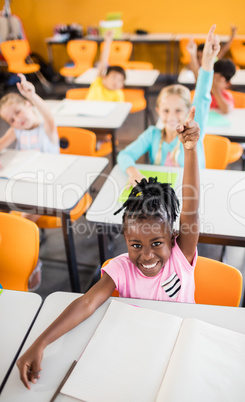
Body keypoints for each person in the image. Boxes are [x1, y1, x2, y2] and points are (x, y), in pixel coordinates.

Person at [16, 104, 200, 390]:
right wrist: (40, 342)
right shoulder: (121, 269)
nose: (146, 255)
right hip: (136, 353)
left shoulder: (181, 255)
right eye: (135, 244)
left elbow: (191, 209)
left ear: (173, 236)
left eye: (157, 243)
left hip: (182, 349)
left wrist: (190, 151)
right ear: (125, 239)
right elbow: (87, 303)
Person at [117, 25, 220, 188]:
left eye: (178, 110)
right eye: (166, 111)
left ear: (188, 111)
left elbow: (202, 96)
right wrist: (133, 172)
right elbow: (124, 155)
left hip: (190, 194)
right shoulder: (152, 135)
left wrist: (207, 61)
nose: (171, 116)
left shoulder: (193, 135)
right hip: (161, 199)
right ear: (158, 111)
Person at [0, 73, 59, 290]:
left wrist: (33, 95)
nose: (17, 120)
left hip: (50, 189)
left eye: (18, 112)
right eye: (11, 120)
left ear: (27, 104)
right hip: (26, 187)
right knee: (7, 220)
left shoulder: (47, 128)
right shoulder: (17, 130)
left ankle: (31, 263)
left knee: (23, 221)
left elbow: (49, 115)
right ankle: (11, 261)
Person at [85, 30, 126, 102]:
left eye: (120, 80)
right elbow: (103, 62)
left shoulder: (118, 94)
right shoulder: (98, 83)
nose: (116, 82)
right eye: (114, 77)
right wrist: (108, 41)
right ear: (105, 77)